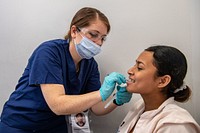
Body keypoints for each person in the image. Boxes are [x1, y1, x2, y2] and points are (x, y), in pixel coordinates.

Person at [0, 7, 132, 133]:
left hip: (54, 127)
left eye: (103, 38)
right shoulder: (49, 52)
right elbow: (57, 105)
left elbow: (96, 107)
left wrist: (116, 100)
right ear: (74, 31)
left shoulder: (90, 65)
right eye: (93, 35)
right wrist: (101, 94)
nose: (99, 43)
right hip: (21, 124)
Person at [117, 45, 200, 133]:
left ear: (163, 81)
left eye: (140, 68)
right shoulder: (139, 106)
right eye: (134, 65)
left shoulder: (175, 125)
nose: (129, 71)